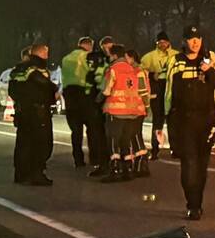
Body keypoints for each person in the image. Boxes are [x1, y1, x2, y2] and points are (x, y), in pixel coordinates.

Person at [164, 25, 215, 220]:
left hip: (207, 121)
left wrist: (209, 71)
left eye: (198, 38)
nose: (195, 42)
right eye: (191, 39)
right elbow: (169, 93)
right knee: (189, 163)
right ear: (184, 41)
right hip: (184, 121)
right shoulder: (176, 62)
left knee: (201, 165)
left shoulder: (213, 59)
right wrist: (165, 123)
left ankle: (198, 202)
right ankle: (192, 204)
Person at [8, 42, 57, 186]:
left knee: (23, 143)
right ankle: (37, 173)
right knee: (41, 143)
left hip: (23, 111)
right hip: (38, 112)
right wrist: (53, 90)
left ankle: (21, 174)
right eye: (46, 52)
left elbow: (13, 90)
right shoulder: (36, 69)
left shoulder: (18, 69)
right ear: (40, 53)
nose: (47, 55)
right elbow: (45, 85)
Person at [100, 43, 150, 182]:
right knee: (126, 141)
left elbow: (106, 90)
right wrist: (146, 107)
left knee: (113, 140)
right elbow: (141, 90)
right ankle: (127, 168)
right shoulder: (133, 70)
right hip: (132, 112)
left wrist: (98, 99)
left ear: (114, 55)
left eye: (110, 56)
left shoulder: (113, 69)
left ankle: (115, 169)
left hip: (115, 111)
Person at [58, 37, 94, 168]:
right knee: (91, 129)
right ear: (89, 46)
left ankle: (78, 159)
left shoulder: (66, 58)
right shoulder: (87, 57)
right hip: (85, 95)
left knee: (76, 131)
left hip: (70, 96)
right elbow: (91, 74)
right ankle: (93, 157)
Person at [84, 34, 115, 176]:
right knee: (98, 133)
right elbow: (91, 78)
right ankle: (101, 162)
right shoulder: (95, 58)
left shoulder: (116, 60)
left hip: (109, 101)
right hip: (98, 99)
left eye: (110, 48)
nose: (108, 50)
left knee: (108, 134)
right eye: (106, 48)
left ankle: (110, 163)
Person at [139, 32, 174, 156]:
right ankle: (155, 148)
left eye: (164, 42)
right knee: (157, 120)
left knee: (173, 120)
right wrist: (151, 75)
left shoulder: (175, 55)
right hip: (157, 89)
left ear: (168, 42)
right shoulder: (150, 57)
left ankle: (175, 148)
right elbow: (140, 71)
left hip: (171, 89)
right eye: (160, 42)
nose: (162, 44)